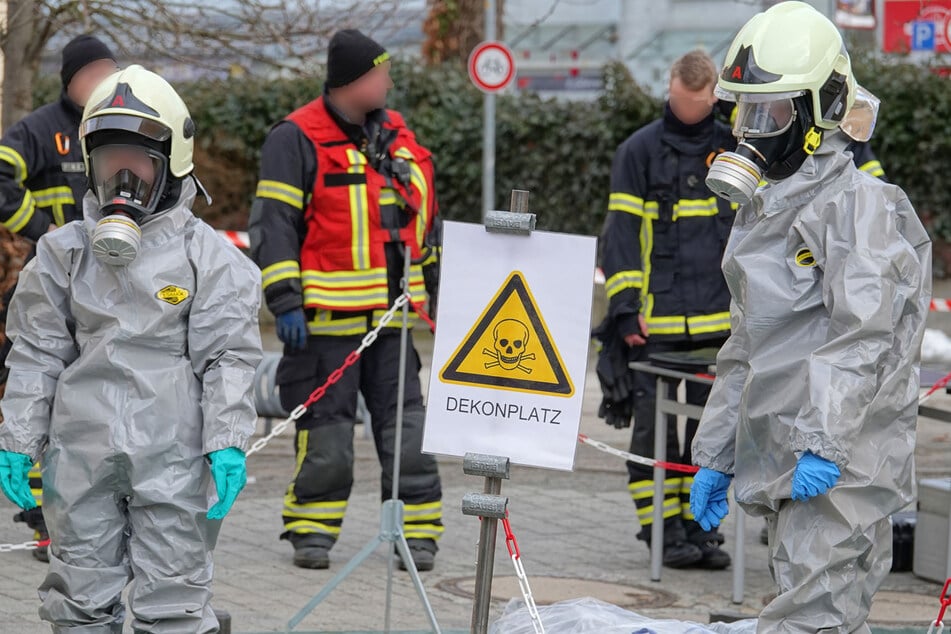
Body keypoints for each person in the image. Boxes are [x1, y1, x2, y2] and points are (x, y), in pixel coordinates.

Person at [691, 3, 930, 632]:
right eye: (745, 112)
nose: (751, 132)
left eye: (769, 114)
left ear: (821, 111)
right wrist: (717, 450)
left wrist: (822, 445)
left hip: (841, 461)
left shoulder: (857, 208)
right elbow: (747, 344)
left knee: (815, 615)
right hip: (787, 452)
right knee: (813, 606)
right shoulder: (767, 212)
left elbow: (863, 338)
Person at [0, 64, 263, 632]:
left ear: (171, 165)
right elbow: (37, 353)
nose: (123, 176)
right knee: (78, 602)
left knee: (173, 600)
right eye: (110, 160)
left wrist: (227, 440)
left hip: (174, 456)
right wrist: (18, 439)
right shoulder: (63, 254)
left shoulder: (207, 258)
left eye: (138, 161)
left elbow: (228, 357)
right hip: (81, 454)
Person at [249, 29, 443, 572]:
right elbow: (274, 224)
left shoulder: (394, 135)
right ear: (352, 82)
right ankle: (312, 531)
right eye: (380, 74)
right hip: (326, 321)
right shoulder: (295, 138)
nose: (389, 83)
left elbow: (426, 223)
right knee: (327, 433)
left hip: (393, 319)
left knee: (407, 430)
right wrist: (285, 301)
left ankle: (418, 533)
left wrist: (437, 291)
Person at [595, 50, 735, 569]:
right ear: (670, 90)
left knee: (709, 439)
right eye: (679, 100)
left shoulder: (732, 149)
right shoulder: (638, 151)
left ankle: (700, 529)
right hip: (653, 328)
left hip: (718, 327)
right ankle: (661, 532)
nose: (687, 110)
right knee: (653, 437)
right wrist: (625, 309)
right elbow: (621, 237)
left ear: (714, 97)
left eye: (697, 103)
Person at [0, 34, 118, 562]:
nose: (102, 81)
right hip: (51, 288)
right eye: (92, 72)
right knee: (44, 401)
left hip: (108, 293)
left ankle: (89, 514)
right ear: (70, 80)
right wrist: (41, 230)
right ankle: (43, 521)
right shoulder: (39, 129)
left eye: (109, 71)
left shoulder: (118, 126)